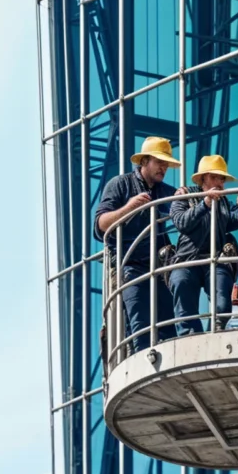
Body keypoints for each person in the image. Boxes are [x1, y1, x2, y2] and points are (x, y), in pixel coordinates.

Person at [96, 136, 182, 357]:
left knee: (168, 325)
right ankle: (142, 360)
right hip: (130, 265)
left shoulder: (166, 191)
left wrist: (185, 198)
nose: (164, 168)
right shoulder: (120, 184)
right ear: (144, 162)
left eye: (166, 164)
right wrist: (129, 207)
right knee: (138, 325)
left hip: (160, 267)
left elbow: (184, 212)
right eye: (159, 162)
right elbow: (100, 226)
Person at [165, 155, 238, 335]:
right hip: (187, 259)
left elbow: (230, 222)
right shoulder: (185, 195)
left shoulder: (223, 202)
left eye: (222, 178)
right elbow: (181, 222)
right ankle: (189, 335)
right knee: (181, 283)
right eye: (214, 177)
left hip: (215, 258)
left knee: (222, 296)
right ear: (203, 178)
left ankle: (218, 330)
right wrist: (204, 203)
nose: (219, 182)